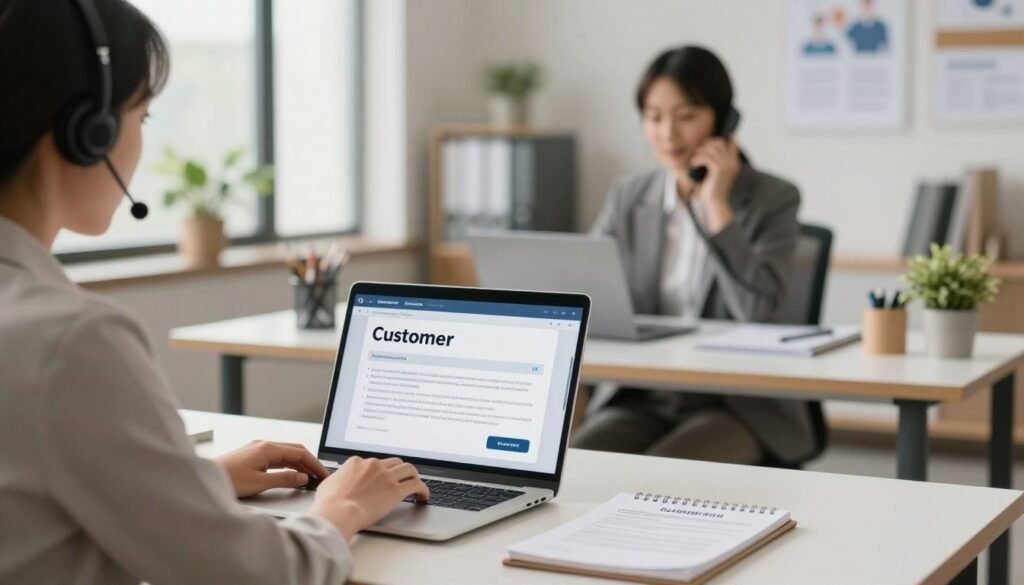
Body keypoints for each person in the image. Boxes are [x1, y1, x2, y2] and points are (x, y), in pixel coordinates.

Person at [0, 1, 427, 583]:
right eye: (142, 117)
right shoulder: (71, 340)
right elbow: (254, 574)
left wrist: (195, 482)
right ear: (87, 131)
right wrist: (345, 506)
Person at [571, 46, 816, 466]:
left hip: (736, 405)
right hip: (642, 397)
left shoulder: (772, 198)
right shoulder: (629, 197)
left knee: (662, 483)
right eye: (654, 117)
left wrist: (718, 208)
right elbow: (586, 287)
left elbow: (758, 312)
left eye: (686, 116)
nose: (668, 134)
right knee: (578, 468)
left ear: (722, 121)